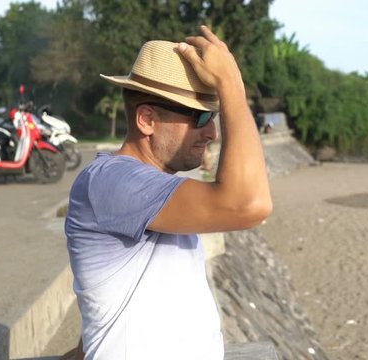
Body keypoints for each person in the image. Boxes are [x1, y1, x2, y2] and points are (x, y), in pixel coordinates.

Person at [65, 26, 272, 359]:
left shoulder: (155, 190)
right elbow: (250, 204)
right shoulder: (113, 180)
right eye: (201, 116)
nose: (212, 132)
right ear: (147, 119)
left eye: (214, 115)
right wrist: (232, 86)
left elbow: (125, 294)